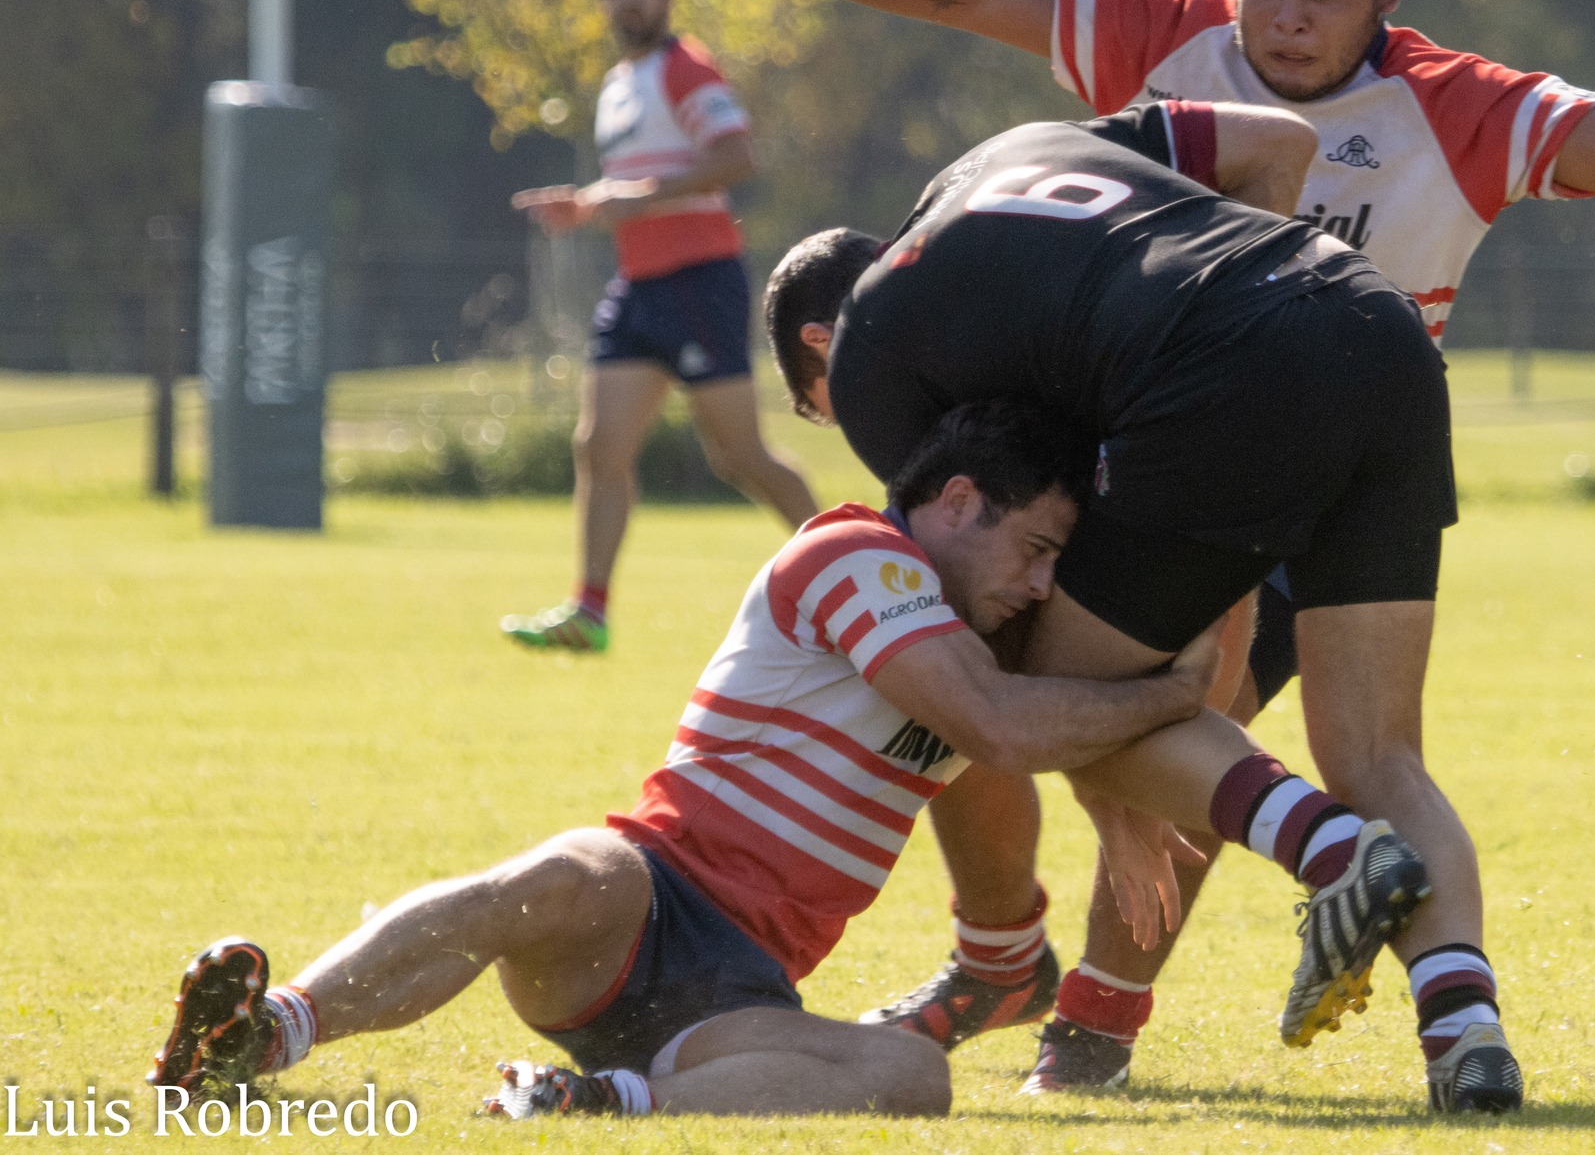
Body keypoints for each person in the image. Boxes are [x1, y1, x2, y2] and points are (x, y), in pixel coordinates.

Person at [681, 0, 1595, 1105]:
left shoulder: (1445, 102)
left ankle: (1109, 970)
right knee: (1359, 753)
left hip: (1235, 406)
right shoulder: (1143, 63)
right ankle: (1462, 1032)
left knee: (1075, 698)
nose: (1283, 18)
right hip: (1368, 367)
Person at [147, 400, 1430, 1119]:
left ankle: (605, 1104)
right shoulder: (852, 554)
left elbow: (1054, 736)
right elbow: (1002, 727)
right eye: (1034, 548)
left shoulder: (986, 637)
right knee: (549, 877)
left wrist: (1119, 796)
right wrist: (1168, 694)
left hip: (737, 996)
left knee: (912, 1074)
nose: (1041, 582)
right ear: (957, 502)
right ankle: (264, 1035)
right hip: (646, 894)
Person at [764, 98, 1525, 1110]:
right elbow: (1276, 144)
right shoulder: (1015, 145)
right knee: (1380, 757)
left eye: (818, 409)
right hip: (1372, 321)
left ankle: (1336, 852)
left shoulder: (872, 350)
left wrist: (1110, 785)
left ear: (821, 348)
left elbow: (1000, 599)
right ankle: (1466, 1031)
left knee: (1034, 696)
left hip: (1231, 363)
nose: (844, 427)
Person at [500, 0, 817, 653]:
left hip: (700, 280)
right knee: (598, 445)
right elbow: (636, 184)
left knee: (741, 456)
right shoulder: (618, 84)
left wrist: (640, 197)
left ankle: (854, 574)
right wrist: (585, 205)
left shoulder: (685, 67)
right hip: (638, 285)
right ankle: (589, 612)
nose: (629, 1)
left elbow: (735, 156)